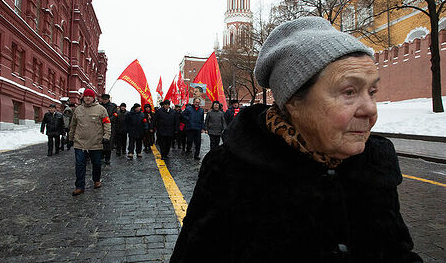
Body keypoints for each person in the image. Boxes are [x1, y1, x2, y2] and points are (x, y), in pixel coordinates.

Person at [170, 17, 423, 262]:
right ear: (293, 102)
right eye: (349, 92)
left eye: (372, 91)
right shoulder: (231, 172)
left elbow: (398, 252)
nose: (370, 109)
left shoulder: (374, 166)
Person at [68, 89, 111, 196]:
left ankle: (96, 180)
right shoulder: (78, 110)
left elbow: (107, 124)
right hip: (80, 143)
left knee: (96, 164)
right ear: (83, 97)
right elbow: (73, 125)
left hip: (95, 143)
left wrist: (106, 136)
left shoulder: (101, 109)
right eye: (86, 96)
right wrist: (70, 138)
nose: (88, 98)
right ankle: (79, 186)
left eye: (90, 96)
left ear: (93, 98)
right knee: (79, 165)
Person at [100, 93, 117, 164]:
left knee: (109, 143)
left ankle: (108, 158)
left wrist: (108, 120)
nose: (104, 101)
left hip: (110, 126)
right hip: (101, 126)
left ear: (108, 99)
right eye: (103, 99)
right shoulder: (99, 106)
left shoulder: (113, 106)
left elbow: (115, 115)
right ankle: (101, 156)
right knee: (101, 142)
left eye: (106, 99)